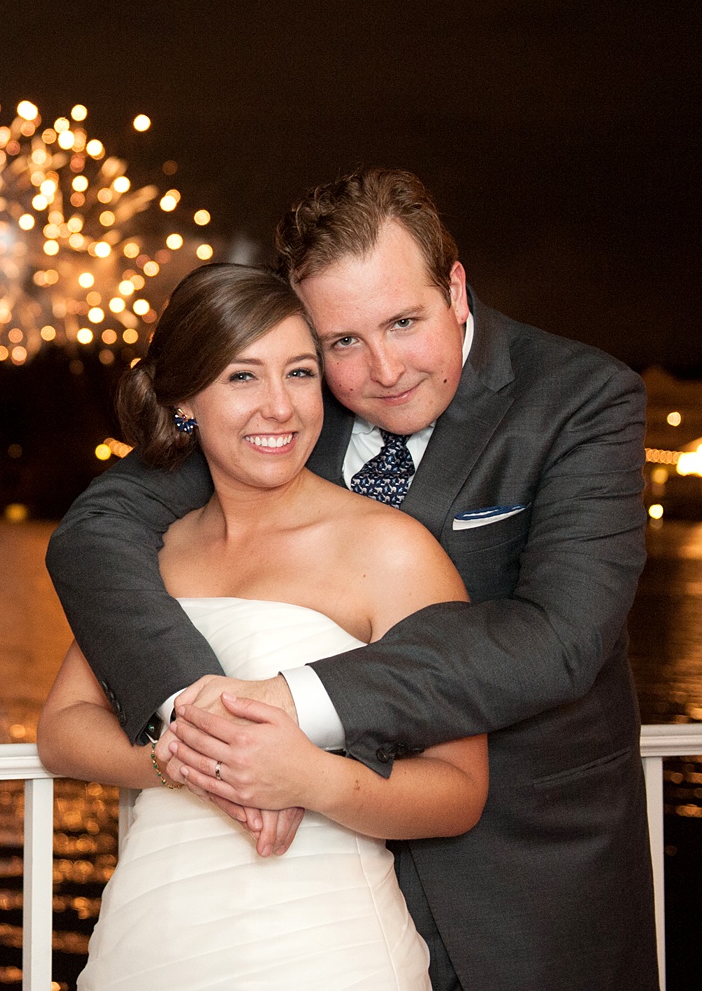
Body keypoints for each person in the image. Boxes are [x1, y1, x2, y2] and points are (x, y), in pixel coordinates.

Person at [46, 169, 659, 991]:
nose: (382, 368)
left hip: (527, 884)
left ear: (456, 285)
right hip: (298, 892)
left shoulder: (581, 399)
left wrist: (290, 705)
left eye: (404, 321)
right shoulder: (289, 399)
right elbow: (97, 530)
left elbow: (560, 639)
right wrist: (194, 733)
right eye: (341, 342)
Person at [38, 262, 486, 990]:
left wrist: (309, 777)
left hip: (324, 947)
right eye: (243, 377)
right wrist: (186, 763)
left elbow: (460, 789)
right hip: (153, 936)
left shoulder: (392, 549)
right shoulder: (158, 554)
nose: (279, 406)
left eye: (301, 373)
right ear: (184, 399)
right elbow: (62, 728)